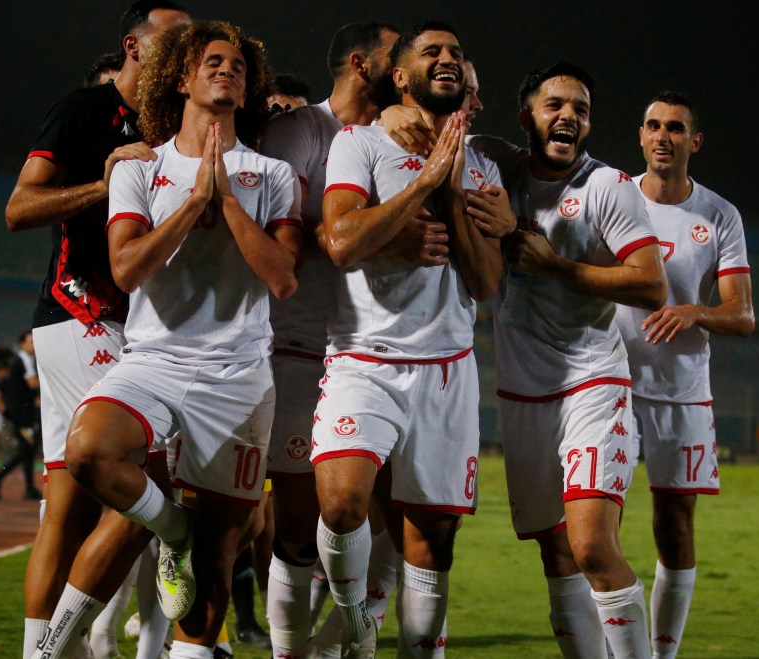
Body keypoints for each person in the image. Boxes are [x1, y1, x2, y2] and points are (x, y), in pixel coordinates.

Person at [61, 19, 301, 659]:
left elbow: (283, 279)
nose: (228, 70)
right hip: (155, 360)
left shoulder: (272, 175)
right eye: (213, 61)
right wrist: (193, 204)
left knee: (222, 546)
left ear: (249, 91)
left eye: (239, 67)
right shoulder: (141, 169)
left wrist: (224, 204)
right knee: (88, 452)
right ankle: (171, 528)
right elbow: (126, 268)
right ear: (184, 79)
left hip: (239, 375)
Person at [313, 22, 513, 657]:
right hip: (362, 358)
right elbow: (340, 241)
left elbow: (484, 281)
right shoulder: (359, 144)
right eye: (432, 52)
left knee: (432, 540)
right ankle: (357, 624)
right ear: (399, 77)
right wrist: (424, 182)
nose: (447, 58)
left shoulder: (480, 164)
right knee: (343, 505)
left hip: (447, 367)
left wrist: (452, 186)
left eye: (456, 51)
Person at [4, 2, 190, 656]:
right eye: (175, 38)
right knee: (157, 485)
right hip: (83, 312)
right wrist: (104, 180)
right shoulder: (84, 110)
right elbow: (19, 207)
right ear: (134, 46)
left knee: (69, 508)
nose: (186, 49)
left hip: (130, 322)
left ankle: (40, 650)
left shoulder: (173, 124)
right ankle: (174, 543)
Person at [469, 62, 667, 658]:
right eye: (554, 105)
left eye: (580, 109)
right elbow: (447, 130)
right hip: (524, 392)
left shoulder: (607, 186)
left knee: (590, 547)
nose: (569, 117)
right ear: (526, 115)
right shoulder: (495, 166)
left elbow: (651, 286)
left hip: (592, 382)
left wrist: (552, 262)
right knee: (555, 553)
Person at [257, 21, 417, 659]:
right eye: (392, 57)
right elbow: (277, 230)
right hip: (300, 351)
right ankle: (290, 651)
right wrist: (359, 233)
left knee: (400, 516)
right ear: (360, 64)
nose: (403, 67)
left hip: (378, 352)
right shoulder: (301, 132)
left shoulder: (397, 136)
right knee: (296, 527)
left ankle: (355, 627)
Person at [614, 91, 755, 657]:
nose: (661, 136)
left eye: (674, 128)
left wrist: (694, 310)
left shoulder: (719, 215)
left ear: (693, 142)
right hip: (610, 383)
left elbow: (742, 315)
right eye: (652, 125)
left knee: (674, 524)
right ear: (641, 135)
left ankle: (662, 652)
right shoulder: (612, 196)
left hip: (680, 392)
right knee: (595, 521)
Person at [0, 330, 43, 501]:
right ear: (22, 344)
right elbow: (32, 383)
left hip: (21, 411)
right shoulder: (24, 360)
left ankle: (29, 488)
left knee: (28, 450)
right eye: (31, 341)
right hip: (22, 414)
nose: (34, 345)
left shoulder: (25, 360)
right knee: (27, 449)